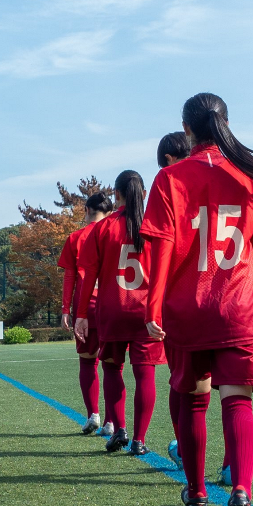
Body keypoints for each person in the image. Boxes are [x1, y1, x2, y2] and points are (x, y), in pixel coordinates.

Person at [143, 92, 253, 506]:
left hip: (188, 308)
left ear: (187, 131)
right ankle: (241, 490)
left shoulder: (170, 178)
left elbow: (162, 246)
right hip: (238, 305)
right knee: (238, 400)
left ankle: (197, 492)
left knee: (193, 401)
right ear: (225, 124)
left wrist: (154, 304)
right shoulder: (248, 177)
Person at [75, 170, 165, 455]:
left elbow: (87, 274)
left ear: (116, 194)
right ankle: (139, 440)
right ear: (145, 195)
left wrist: (80, 314)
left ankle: (120, 429)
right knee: (145, 375)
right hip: (147, 312)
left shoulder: (102, 228)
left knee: (112, 369)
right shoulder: (155, 226)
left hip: (113, 309)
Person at [59, 192, 114, 435]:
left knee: (87, 360)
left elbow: (70, 275)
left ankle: (93, 414)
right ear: (110, 213)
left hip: (86, 306)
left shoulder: (75, 237)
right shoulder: (116, 234)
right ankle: (113, 421)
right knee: (114, 366)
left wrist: (65, 310)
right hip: (114, 305)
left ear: (86, 210)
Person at [156, 131, 193, 468]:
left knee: (185, 384)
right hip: (232, 295)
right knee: (234, 394)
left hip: (181, 300)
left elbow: (160, 249)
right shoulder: (230, 173)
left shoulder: (169, 182)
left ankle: (186, 454)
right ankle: (232, 465)